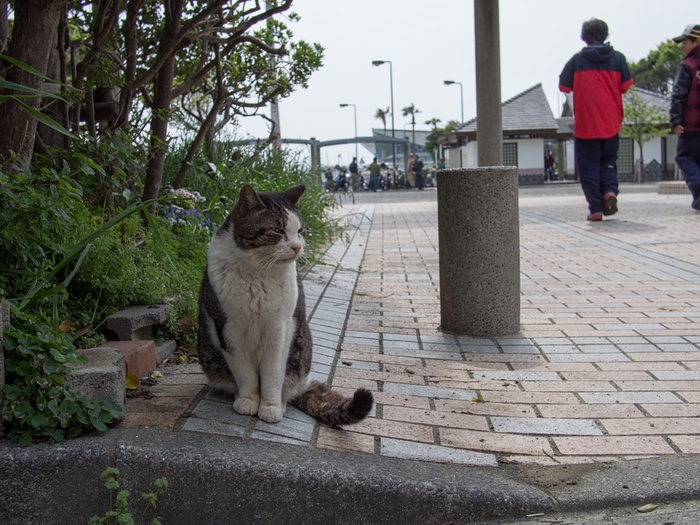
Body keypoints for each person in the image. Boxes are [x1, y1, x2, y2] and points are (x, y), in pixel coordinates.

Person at [559, 18, 633, 221]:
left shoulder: (576, 61)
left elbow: (563, 87)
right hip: (611, 122)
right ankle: (610, 192)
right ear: (605, 35)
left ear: (584, 37)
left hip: (586, 123)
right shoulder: (618, 59)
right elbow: (626, 85)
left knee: (589, 166)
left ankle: (596, 209)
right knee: (608, 162)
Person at [669, 24, 700, 211]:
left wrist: (676, 121)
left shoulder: (688, 65)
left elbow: (678, 95)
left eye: (686, 42)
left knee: (684, 157)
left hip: (691, 126)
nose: (683, 47)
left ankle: (698, 189)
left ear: (697, 41)